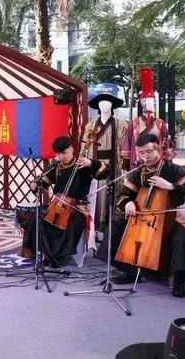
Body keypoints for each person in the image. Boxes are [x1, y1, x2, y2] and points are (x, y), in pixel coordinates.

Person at [110, 133, 185, 298]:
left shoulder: (173, 169)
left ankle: (179, 281)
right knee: (118, 226)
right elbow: (123, 194)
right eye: (141, 153)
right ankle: (129, 271)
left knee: (180, 236)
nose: (145, 156)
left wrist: (171, 186)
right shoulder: (139, 172)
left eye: (148, 151)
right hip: (144, 217)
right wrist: (128, 203)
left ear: (158, 148)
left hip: (170, 218)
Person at [22, 136, 110, 267]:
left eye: (64, 153)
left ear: (72, 149)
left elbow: (105, 172)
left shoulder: (83, 165)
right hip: (56, 206)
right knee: (36, 220)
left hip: (77, 208)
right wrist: (35, 185)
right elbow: (42, 184)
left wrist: (91, 163)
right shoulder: (56, 166)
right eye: (58, 153)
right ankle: (47, 253)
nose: (61, 156)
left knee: (69, 225)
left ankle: (58, 257)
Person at [84, 94, 126, 253]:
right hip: (95, 168)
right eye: (101, 103)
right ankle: (94, 234)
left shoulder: (121, 124)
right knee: (96, 199)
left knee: (112, 198)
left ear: (112, 106)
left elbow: (125, 147)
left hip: (113, 167)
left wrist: (124, 165)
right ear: (97, 106)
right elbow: (85, 147)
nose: (104, 105)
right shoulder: (90, 125)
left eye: (108, 103)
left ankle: (110, 235)